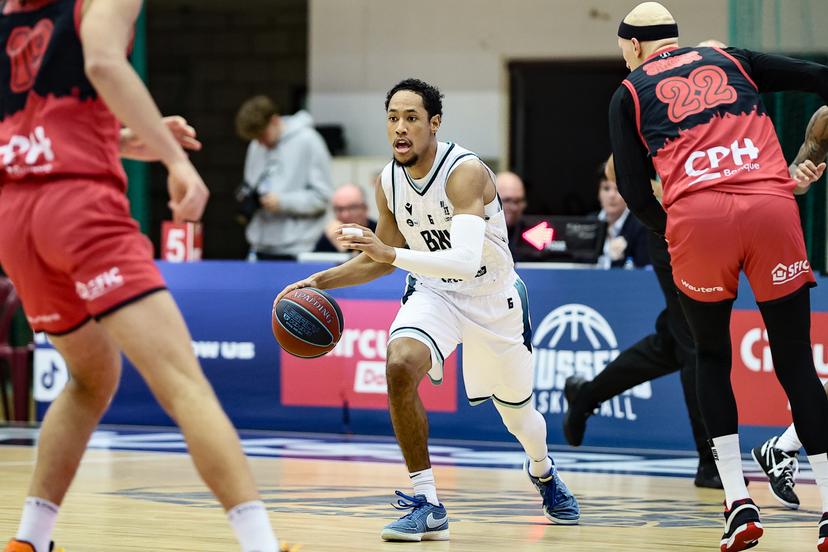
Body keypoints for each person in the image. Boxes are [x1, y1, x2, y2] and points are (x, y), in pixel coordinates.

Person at [0, 2, 288, 551]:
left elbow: (37, 118)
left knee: (91, 377)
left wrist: (130, 138)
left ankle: (28, 540)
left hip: (14, 216)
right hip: (78, 208)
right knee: (184, 383)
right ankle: (261, 546)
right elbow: (104, 64)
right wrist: (177, 164)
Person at [276, 78, 580, 542]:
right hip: (433, 294)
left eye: (412, 118)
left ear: (434, 124)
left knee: (519, 418)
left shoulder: (466, 172)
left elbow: (459, 261)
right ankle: (427, 501)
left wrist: (389, 254)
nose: (400, 128)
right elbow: (379, 259)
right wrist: (320, 280)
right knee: (399, 365)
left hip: (492, 300)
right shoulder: (389, 183)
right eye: (393, 118)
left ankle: (542, 471)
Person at [610, 3, 828, 550]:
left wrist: (676, 227)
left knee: (709, 356)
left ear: (634, 46)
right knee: (797, 360)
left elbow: (634, 193)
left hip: (698, 220)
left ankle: (737, 501)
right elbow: (819, 79)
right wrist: (807, 152)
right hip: (771, 207)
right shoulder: (731, 56)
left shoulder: (630, 91)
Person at [565, 155, 717, 488]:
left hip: (706, 229)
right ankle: (710, 463)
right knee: (693, 342)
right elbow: (612, 166)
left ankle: (586, 395)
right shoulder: (654, 116)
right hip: (668, 228)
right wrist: (651, 193)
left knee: (671, 343)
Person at [751, 105, 828, 510]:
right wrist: (800, 178)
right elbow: (799, 170)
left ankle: (782, 446)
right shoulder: (824, 117)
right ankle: (784, 446)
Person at [235, 95, 333, 260]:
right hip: (259, 246)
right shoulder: (256, 146)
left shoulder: (308, 141)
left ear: (274, 120)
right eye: (255, 138)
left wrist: (282, 202)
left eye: (262, 135)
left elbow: (322, 197)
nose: (260, 143)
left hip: (297, 249)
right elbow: (250, 186)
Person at [594, 161, 650, 269]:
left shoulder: (640, 227)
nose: (611, 195)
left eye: (618, 189)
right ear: (598, 192)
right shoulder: (588, 223)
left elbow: (644, 269)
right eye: (606, 188)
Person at [315, 184, 377, 253]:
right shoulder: (331, 235)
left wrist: (345, 248)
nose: (345, 215)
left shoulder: (379, 232)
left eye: (352, 208)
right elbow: (313, 261)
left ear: (365, 208)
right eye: (339, 209)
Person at [495, 171, 531, 260]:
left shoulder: (532, 235)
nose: (514, 208)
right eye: (507, 200)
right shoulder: (480, 233)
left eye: (518, 201)